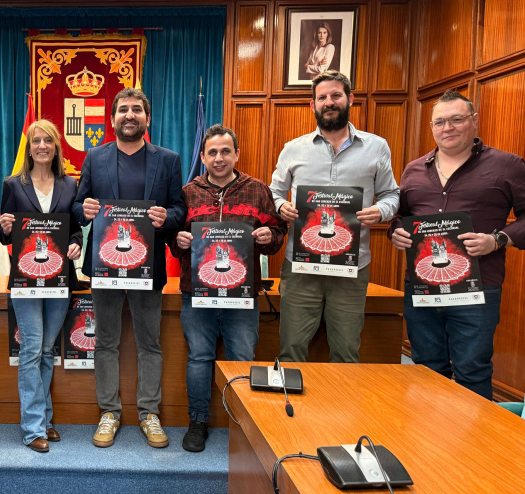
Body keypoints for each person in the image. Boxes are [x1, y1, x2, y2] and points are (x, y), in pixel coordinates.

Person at [388, 90, 525, 400]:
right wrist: (396, 232)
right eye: (439, 122)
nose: (446, 128)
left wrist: (497, 240)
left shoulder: (507, 166)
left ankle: (473, 447)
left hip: (477, 289)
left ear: (474, 121)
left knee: (472, 369)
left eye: (456, 119)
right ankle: (428, 444)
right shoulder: (413, 169)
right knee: (425, 367)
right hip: (422, 288)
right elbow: (401, 217)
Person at [73, 87, 186, 449]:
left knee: (149, 343)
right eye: (123, 110)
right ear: (113, 119)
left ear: (147, 119)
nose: (130, 115)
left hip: (147, 266)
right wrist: (85, 211)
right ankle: (109, 412)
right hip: (105, 265)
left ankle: (149, 413)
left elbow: (180, 210)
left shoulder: (168, 159)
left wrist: (166, 216)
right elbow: (77, 205)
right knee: (105, 342)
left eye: (137, 110)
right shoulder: (94, 157)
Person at [170, 124, 287, 452]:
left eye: (225, 151)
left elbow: (278, 232)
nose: (219, 158)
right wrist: (177, 241)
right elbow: (173, 237)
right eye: (212, 152)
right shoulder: (186, 193)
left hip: (242, 293)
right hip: (196, 292)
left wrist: (269, 238)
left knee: (241, 356)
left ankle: (243, 422)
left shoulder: (258, 190)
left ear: (236, 154)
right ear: (203, 156)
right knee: (199, 357)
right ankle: (198, 421)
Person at [269, 70, 399, 363]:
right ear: (312, 105)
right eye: (322, 97)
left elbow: (393, 194)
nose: (329, 102)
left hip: (351, 269)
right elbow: (273, 193)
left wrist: (381, 211)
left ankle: (340, 410)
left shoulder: (376, 147)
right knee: (291, 349)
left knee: (346, 352)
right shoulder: (293, 149)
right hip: (301, 267)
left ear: (350, 99)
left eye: (336, 95)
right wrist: (281, 207)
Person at [0, 120, 83, 453]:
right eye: (36, 141)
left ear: (56, 146)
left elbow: (74, 229)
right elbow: (6, 234)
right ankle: (32, 427)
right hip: (26, 278)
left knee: (46, 350)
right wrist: (4, 226)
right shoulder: (12, 184)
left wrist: (76, 244)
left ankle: (45, 419)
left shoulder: (70, 185)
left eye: (48, 140)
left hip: (60, 279)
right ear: (29, 147)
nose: (42, 146)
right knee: (32, 349)